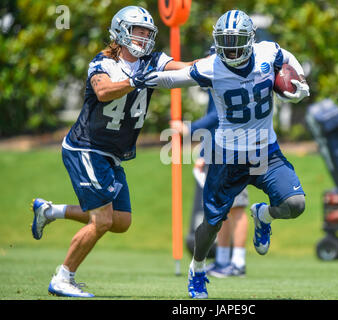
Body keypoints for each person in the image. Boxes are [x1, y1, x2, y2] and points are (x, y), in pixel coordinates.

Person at [30, 6, 195, 298]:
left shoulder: (153, 60)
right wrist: (134, 81)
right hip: (86, 148)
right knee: (102, 220)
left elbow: (187, 68)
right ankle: (62, 277)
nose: (143, 38)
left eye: (147, 32)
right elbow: (103, 91)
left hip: (112, 153)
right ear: (120, 31)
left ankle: (50, 210)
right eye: (138, 31)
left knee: (120, 221)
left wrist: (222, 65)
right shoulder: (102, 62)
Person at [144, 9, 310, 299]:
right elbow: (174, 80)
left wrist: (302, 83)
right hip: (227, 156)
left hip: (265, 152)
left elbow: (287, 57)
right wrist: (138, 81)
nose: (231, 49)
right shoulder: (211, 67)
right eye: (226, 42)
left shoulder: (267, 52)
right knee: (212, 223)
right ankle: (197, 271)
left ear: (250, 40)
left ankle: (264, 216)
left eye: (237, 41)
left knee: (295, 204)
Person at [171, 91, 249, 278]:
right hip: (218, 152)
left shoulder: (227, 80)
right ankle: (222, 260)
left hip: (235, 150)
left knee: (237, 207)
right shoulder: (215, 84)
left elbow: (218, 117)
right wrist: (204, 154)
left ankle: (238, 262)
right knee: (222, 209)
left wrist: (189, 128)